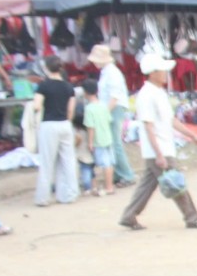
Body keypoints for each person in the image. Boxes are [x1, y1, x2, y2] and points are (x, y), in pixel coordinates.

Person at [118, 54, 197, 231]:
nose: (165, 74)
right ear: (153, 72)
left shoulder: (158, 93)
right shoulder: (147, 95)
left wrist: (193, 136)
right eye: (162, 70)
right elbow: (148, 126)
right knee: (176, 184)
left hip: (161, 148)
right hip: (159, 148)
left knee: (148, 185)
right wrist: (159, 154)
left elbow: (171, 120)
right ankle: (192, 218)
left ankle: (129, 215)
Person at [88, 44, 137, 186]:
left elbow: (115, 97)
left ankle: (127, 175)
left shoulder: (112, 73)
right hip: (110, 108)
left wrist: (105, 113)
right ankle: (118, 173)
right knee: (110, 142)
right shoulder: (106, 72)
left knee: (115, 142)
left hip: (114, 108)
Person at [32, 54, 78, 207]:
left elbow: (37, 106)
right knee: (68, 161)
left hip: (49, 124)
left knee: (47, 162)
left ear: (46, 68)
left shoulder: (43, 86)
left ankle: (43, 197)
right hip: (65, 124)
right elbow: (70, 111)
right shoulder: (68, 87)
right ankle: (69, 194)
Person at [81, 78, 115, 196]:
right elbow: (108, 120)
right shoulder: (103, 106)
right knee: (109, 163)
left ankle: (107, 187)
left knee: (103, 164)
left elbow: (91, 127)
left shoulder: (89, 109)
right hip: (107, 137)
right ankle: (109, 186)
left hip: (98, 140)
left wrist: (90, 142)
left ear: (85, 92)